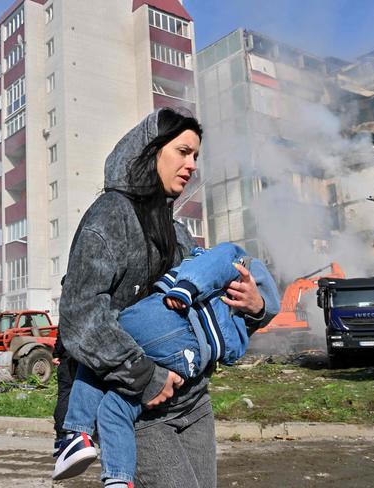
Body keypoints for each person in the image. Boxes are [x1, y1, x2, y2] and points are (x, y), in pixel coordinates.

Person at [57, 108, 273, 488]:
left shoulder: (177, 231)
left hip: (194, 403)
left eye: (196, 157)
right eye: (183, 151)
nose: (191, 165)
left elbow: (207, 311)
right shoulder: (110, 216)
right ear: (151, 151)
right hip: (138, 404)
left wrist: (255, 307)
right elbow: (82, 315)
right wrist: (145, 376)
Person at [54, 242, 279, 483]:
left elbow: (219, 259)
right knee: (113, 406)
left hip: (166, 325)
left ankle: (77, 434)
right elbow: (233, 348)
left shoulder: (238, 261)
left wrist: (186, 288)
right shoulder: (235, 310)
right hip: (186, 361)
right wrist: (259, 309)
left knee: (102, 346)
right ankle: (118, 479)